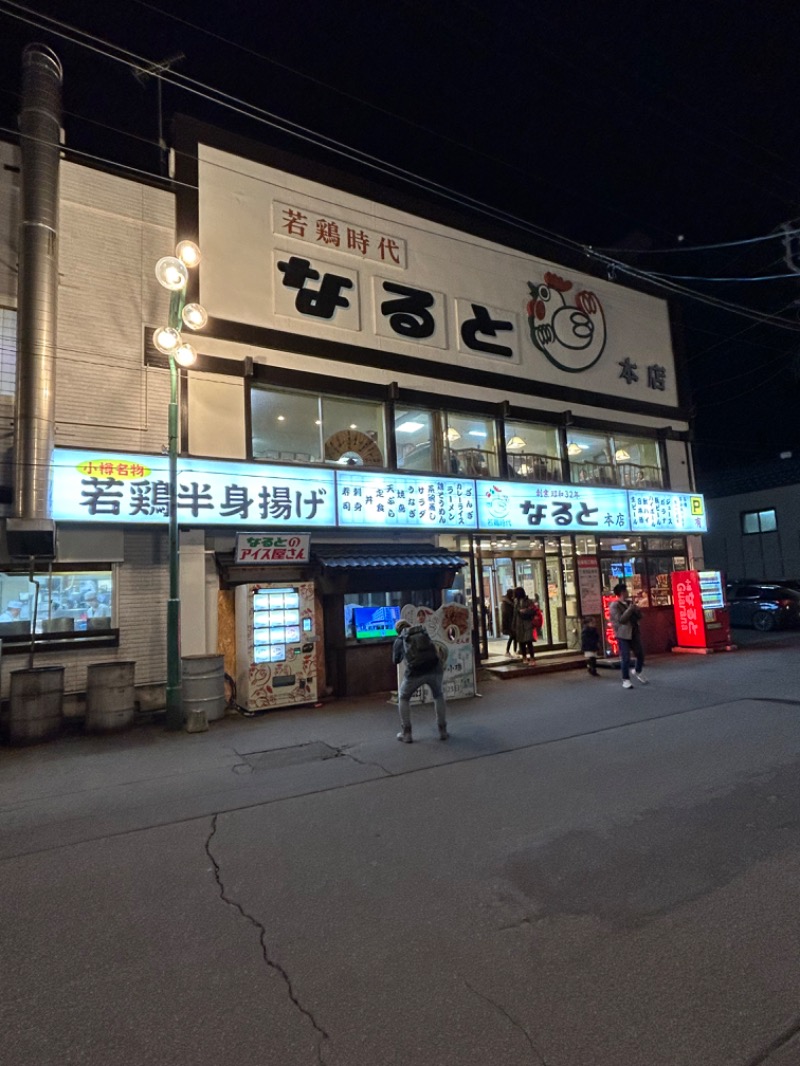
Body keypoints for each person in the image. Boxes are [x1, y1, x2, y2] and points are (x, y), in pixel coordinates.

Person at [392, 619, 448, 743]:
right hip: (434, 669)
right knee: (438, 695)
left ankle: (406, 733)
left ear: (397, 631)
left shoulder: (400, 639)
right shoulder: (422, 633)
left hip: (415, 673)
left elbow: (396, 660)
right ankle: (443, 730)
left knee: (403, 697)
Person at [608, 582, 647, 688]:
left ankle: (637, 670)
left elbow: (639, 616)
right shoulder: (614, 605)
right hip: (622, 634)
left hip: (634, 632)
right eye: (626, 591)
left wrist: (637, 610)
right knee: (625, 657)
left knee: (640, 654)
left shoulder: (630, 603)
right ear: (621, 593)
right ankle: (626, 679)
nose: (628, 593)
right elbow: (621, 619)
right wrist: (630, 609)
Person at [512, 586, 538, 664]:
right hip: (519, 625)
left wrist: (525, 611)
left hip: (527, 624)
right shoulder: (516, 602)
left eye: (515, 593)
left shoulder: (528, 601)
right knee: (521, 642)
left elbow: (533, 611)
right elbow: (515, 614)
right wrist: (513, 625)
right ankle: (524, 657)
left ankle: (532, 658)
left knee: (529, 642)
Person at [500, 588, 516, 656]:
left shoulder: (509, 602)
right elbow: (507, 614)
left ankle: (513, 651)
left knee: (514, 637)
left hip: (511, 622)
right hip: (509, 622)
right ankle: (508, 651)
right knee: (513, 636)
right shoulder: (506, 603)